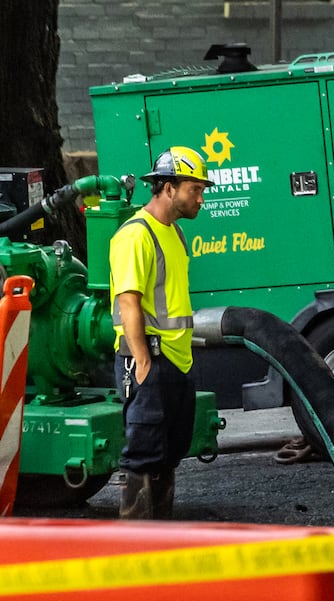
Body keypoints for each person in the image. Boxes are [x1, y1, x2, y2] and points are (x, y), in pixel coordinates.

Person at [108, 145, 211, 518]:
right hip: (150, 361)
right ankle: (134, 549)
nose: (200, 198)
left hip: (177, 361)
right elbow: (129, 303)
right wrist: (142, 362)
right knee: (142, 455)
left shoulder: (175, 234)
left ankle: (160, 544)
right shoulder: (136, 235)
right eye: (194, 189)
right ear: (168, 188)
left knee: (168, 454)